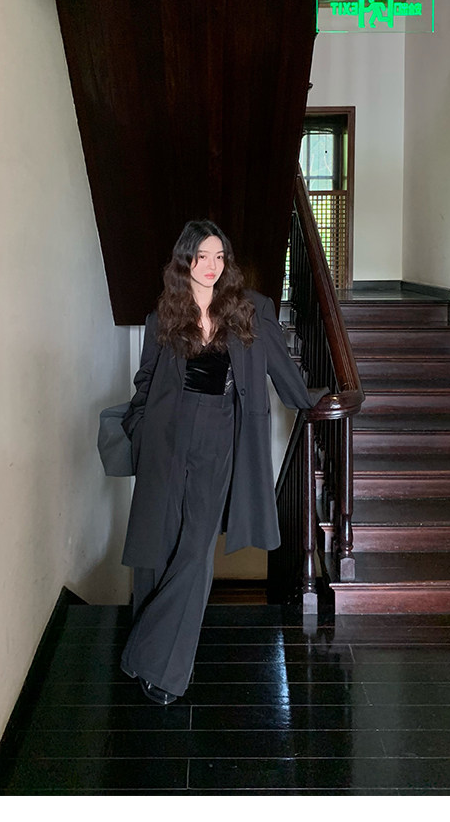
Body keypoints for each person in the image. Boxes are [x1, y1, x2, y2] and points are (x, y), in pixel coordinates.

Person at [119, 219, 321, 704]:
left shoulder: (250, 308)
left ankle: (159, 666)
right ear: (184, 260)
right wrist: (139, 426)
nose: (210, 266)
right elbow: (146, 380)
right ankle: (148, 656)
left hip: (220, 433)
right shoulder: (163, 315)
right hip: (167, 436)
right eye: (201, 256)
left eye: (218, 256)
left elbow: (281, 367)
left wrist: (312, 402)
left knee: (196, 550)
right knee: (160, 543)